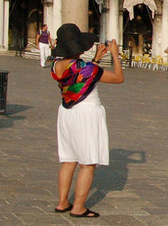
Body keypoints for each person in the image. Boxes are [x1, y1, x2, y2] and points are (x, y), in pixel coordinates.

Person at [51, 24, 124, 218]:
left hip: (66, 113)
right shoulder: (87, 68)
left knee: (68, 160)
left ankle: (62, 202)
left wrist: (96, 59)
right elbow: (118, 78)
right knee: (87, 163)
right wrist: (115, 55)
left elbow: (79, 74)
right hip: (87, 113)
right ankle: (78, 207)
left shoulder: (57, 64)